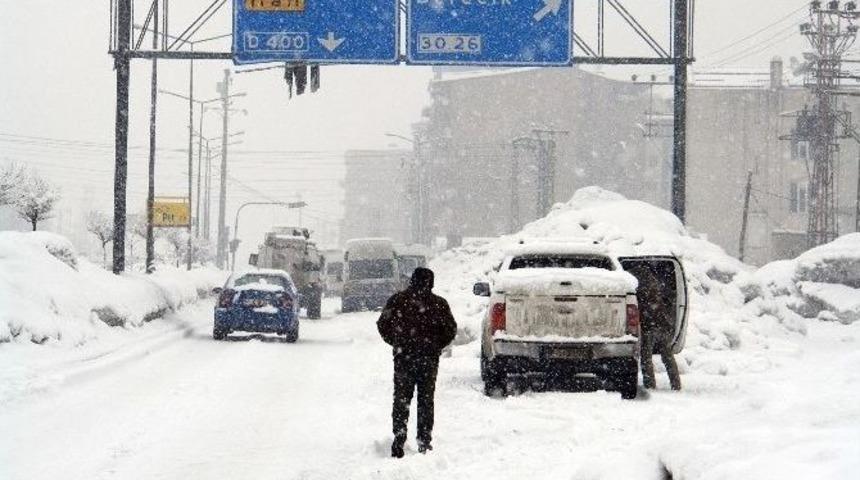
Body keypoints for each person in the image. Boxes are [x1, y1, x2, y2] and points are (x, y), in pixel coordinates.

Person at [377, 267, 457, 458]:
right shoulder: (439, 304)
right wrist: (436, 346)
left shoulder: (397, 300)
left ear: (412, 280)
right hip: (428, 360)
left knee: (402, 399)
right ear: (431, 282)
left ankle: (399, 437)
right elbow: (450, 330)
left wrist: (397, 342)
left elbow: (382, 325)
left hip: (403, 358)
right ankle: (424, 440)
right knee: (425, 400)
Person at [635, 265, 682, 391]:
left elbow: (643, 307)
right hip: (661, 326)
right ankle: (676, 384)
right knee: (667, 356)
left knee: (646, 357)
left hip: (649, 327)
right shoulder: (656, 285)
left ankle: (650, 385)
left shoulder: (639, 288)